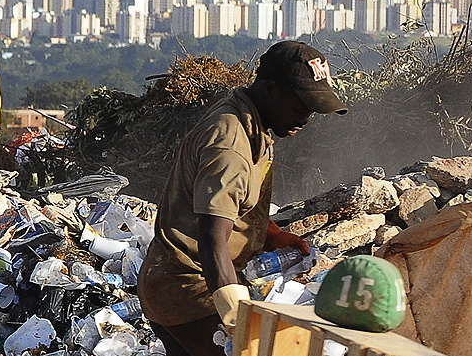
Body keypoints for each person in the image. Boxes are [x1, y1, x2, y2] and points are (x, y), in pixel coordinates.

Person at [137, 41, 347, 356]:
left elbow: (230, 205)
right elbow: (212, 239)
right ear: (271, 89)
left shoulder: (250, 120)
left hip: (169, 284)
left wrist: (271, 235)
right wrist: (236, 319)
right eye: (300, 107)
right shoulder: (230, 142)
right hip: (189, 293)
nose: (305, 119)